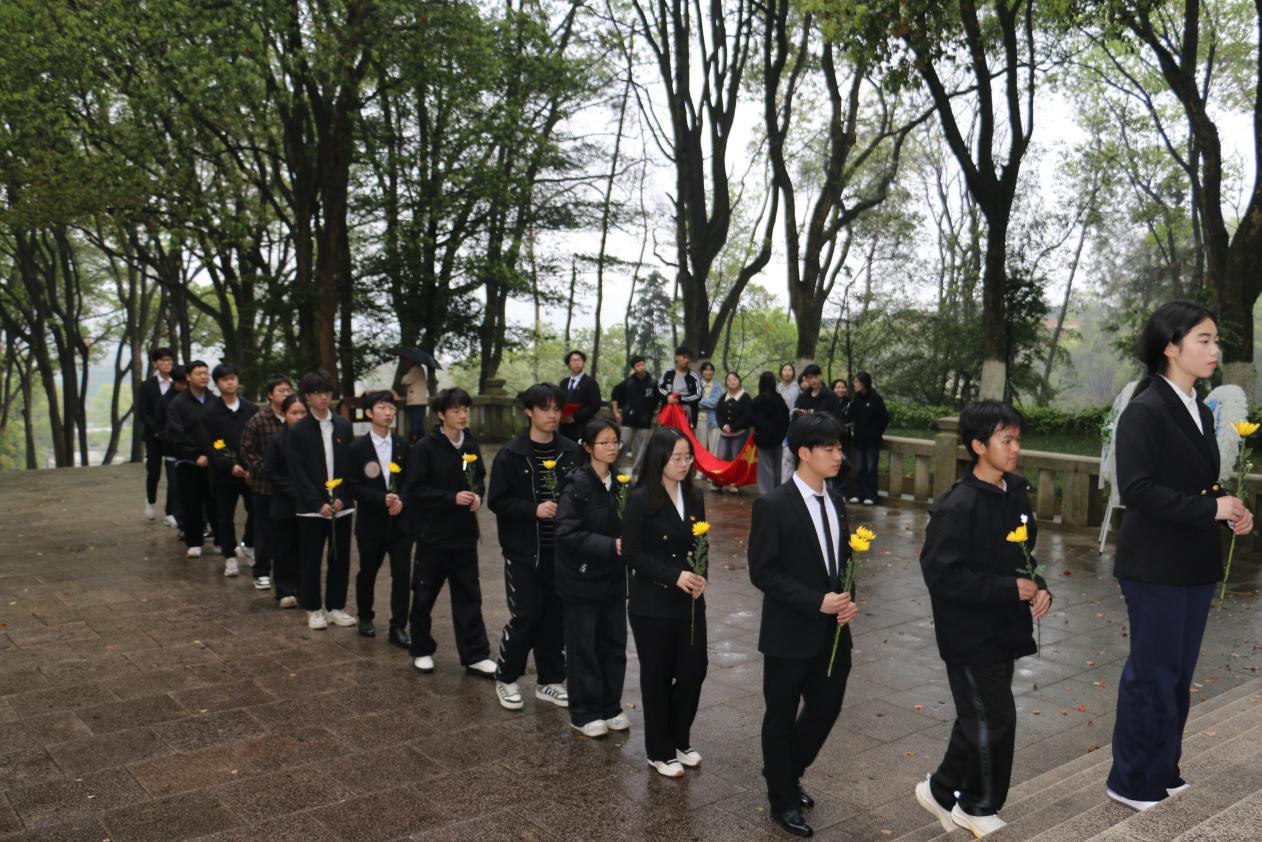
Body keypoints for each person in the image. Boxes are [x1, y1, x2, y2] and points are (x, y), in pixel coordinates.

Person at [1105, 302, 1253, 812]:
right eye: (1203, 340)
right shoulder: (1146, 409)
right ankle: (1130, 780)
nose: (1215, 350)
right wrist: (1212, 508)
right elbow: (1138, 490)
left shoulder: (1197, 407)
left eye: (1216, 340)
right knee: (1152, 675)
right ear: (1170, 346)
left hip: (1192, 564)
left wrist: (1229, 509)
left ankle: (1163, 769)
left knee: (1177, 676)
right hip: (1155, 567)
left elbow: (1196, 484)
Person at [915, 400, 1052, 838]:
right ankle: (977, 805)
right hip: (969, 634)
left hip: (1004, 628)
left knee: (977, 716)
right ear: (977, 446)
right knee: (995, 719)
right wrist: (1008, 589)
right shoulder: (958, 506)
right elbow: (941, 576)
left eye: (1017, 439)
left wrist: (1038, 584)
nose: (1015, 448)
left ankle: (941, 790)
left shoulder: (1015, 492)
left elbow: (1022, 555)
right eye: (1005, 440)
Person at [748, 413, 857, 838]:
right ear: (804, 453)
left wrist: (848, 600)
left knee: (826, 709)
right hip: (788, 633)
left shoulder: (837, 502)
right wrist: (816, 601)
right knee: (779, 717)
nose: (838, 455)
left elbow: (843, 563)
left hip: (834, 633)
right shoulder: (773, 504)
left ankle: (786, 772)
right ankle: (783, 800)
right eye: (829, 448)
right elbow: (763, 572)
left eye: (839, 447)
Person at [488, 383, 583, 711]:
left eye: (557, 409)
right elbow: (497, 501)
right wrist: (533, 510)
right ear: (529, 411)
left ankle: (549, 681)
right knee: (526, 615)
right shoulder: (511, 454)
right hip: (523, 552)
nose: (552, 415)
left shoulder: (571, 452)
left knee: (555, 617)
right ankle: (506, 677)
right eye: (545, 409)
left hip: (561, 552)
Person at [621, 428, 708, 778]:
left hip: (690, 602)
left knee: (693, 671)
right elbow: (631, 553)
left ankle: (679, 738)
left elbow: (702, 542)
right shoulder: (640, 499)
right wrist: (674, 576)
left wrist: (702, 576)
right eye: (677, 458)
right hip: (652, 604)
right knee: (657, 678)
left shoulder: (695, 496)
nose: (684, 464)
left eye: (688, 457)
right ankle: (659, 751)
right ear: (659, 459)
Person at [405, 387, 497, 677]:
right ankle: (421, 649)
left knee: (469, 596)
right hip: (432, 536)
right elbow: (416, 489)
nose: (462, 415)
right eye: (456, 410)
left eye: (465, 409)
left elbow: (478, 479)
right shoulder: (425, 448)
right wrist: (451, 498)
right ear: (441, 414)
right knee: (424, 595)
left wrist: (477, 495)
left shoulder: (469, 445)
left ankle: (475, 655)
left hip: (464, 536)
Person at [554, 417, 629, 738]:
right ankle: (584, 712)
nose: (611, 447)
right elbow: (566, 532)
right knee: (583, 646)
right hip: (581, 579)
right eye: (604, 442)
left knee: (614, 643)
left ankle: (611, 706)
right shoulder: (576, 485)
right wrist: (611, 545)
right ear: (587, 447)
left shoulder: (621, 484)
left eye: (615, 441)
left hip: (613, 578)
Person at [286, 371, 357, 630]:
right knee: (311, 558)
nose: (323, 397)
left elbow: (350, 465)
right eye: (317, 393)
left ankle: (336, 606)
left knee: (340, 558)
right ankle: (313, 608)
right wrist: (317, 502)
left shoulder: (344, 426)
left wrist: (342, 498)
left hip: (341, 506)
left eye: (327, 392)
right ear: (307, 397)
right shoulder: (298, 430)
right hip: (311, 508)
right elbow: (297, 471)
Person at [346, 391, 413, 646]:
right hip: (371, 522)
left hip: (400, 522)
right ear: (369, 413)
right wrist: (380, 499)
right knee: (368, 570)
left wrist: (401, 500)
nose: (388, 412)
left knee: (402, 574)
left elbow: (410, 480)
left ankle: (399, 626)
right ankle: (365, 616)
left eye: (391, 408)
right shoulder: (357, 448)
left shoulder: (403, 445)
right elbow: (352, 485)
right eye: (382, 407)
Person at [239, 375, 294, 591]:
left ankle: (288, 574)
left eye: (289, 390)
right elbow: (247, 450)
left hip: (290, 487)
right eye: (281, 390)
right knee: (264, 530)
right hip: (264, 486)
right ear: (270, 395)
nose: (286, 394)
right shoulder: (258, 420)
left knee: (286, 533)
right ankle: (261, 571)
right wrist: (266, 469)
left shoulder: (296, 418)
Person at [204, 363, 259, 577]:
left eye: (232, 378)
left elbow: (257, 440)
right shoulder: (210, 411)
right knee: (224, 516)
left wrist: (250, 465)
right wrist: (229, 464)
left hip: (249, 472)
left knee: (256, 510)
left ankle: (249, 544)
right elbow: (212, 444)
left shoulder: (250, 409)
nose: (230, 383)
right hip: (223, 474)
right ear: (217, 384)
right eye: (225, 379)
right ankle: (230, 556)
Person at [164, 360, 217, 558]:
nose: (203, 377)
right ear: (188, 377)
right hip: (188, 460)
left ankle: (221, 540)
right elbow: (176, 432)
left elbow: (221, 430)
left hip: (213, 460)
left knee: (215, 502)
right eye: (198, 373)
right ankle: (194, 541)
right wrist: (195, 455)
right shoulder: (178, 403)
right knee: (191, 502)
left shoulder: (214, 400)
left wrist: (213, 454)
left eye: (206, 373)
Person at [264, 394, 307, 609]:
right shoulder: (277, 440)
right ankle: (284, 590)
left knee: (305, 548)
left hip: (308, 503)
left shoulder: (312, 439)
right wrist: (295, 490)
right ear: (284, 414)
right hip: (283, 503)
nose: (299, 417)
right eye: (294, 412)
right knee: (283, 549)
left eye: (302, 412)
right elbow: (270, 472)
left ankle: (304, 588)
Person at [138, 347, 175, 522]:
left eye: (169, 360)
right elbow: (143, 412)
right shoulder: (147, 385)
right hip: (153, 435)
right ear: (155, 363)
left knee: (173, 474)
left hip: (172, 436)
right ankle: (150, 500)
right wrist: (156, 430)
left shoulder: (178, 384)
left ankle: (170, 511)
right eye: (163, 360)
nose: (167, 363)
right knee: (153, 472)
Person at [611, 355, 659, 479]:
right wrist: (616, 412)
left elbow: (660, 400)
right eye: (638, 365)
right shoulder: (628, 383)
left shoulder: (653, 383)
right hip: (627, 421)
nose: (641, 367)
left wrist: (656, 413)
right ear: (634, 368)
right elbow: (615, 395)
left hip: (645, 423)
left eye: (643, 364)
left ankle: (637, 474)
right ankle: (613, 469)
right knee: (622, 445)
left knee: (641, 451)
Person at [155, 365, 188, 536]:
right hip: (172, 451)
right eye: (182, 383)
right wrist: (170, 439)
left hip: (193, 451)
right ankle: (179, 520)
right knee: (176, 486)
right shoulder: (165, 401)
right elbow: (160, 426)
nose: (185, 386)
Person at [849, 371, 889, 506]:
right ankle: (859, 494)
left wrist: (876, 433)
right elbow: (851, 415)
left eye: (857, 382)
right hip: (859, 440)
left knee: (871, 468)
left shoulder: (875, 398)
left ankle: (871, 495)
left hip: (872, 441)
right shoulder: (856, 398)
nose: (855, 384)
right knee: (860, 468)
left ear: (864, 383)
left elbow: (885, 418)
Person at [748, 372, 790, 495]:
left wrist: (759, 432)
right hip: (778, 439)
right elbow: (786, 419)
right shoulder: (780, 400)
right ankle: (777, 491)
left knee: (765, 467)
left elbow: (751, 419)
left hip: (763, 439)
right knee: (777, 466)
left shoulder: (757, 401)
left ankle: (766, 493)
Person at [715, 372, 752, 494]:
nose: (732, 382)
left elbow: (747, 416)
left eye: (734, 379)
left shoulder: (745, 397)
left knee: (736, 459)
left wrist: (733, 427)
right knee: (721, 458)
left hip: (740, 434)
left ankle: (734, 484)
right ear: (726, 382)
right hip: (724, 434)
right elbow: (718, 413)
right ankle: (718, 483)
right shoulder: (723, 397)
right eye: (729, 380)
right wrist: (723, 425)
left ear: (739, 381)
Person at [559, 350, 602, 443]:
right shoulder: (563, 383)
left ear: (583, 363)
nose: (576, 363)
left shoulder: (591, 382)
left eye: (579, 360)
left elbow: (595, 405)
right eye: (573, 360)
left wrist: (574, 417)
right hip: (563, 427)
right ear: (568, 364)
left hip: (582, 427)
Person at [657, 346, 702, 428]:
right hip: (668, 411)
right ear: (676, 357)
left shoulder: (693, 376)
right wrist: (668, 396)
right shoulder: (667, 373)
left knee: (685, 435)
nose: (686, 360)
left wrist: (680, 399)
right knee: (667, 434)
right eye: (684, 357)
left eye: (688, 358)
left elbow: (698, 395)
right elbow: (659, 387)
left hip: (686, 413)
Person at [777, 363, 800, 483]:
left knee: (788, 457)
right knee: (779, 457)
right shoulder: (777, 388)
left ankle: (786, 484)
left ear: (793, 373)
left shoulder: (797, 389)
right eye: (784, 370)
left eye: (789, 370)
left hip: (791, 426)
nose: (787, 372)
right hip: (777, 426)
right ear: (781, 372)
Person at [695, 361, 722, 456]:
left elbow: (716, 403)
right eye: (706, 370)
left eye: (710, 370)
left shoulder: (717, 386)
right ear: (702, 372)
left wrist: (701, 402)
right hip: (699, 420)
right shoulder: (696, 385)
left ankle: (713, 466)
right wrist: (708, 403)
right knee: (700, 448)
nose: (708, 372)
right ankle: (701, 466)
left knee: (714, 449)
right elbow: (693, 402)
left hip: (714, 421)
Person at [400, 363, 430, 442]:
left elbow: (405, 380)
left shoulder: (415, 369)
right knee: (418, 422)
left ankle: (415, 440)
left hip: (416, 401)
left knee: (415, 423)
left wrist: (405, 375)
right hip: (419, 400)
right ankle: (419, 440)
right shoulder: (420, 369)